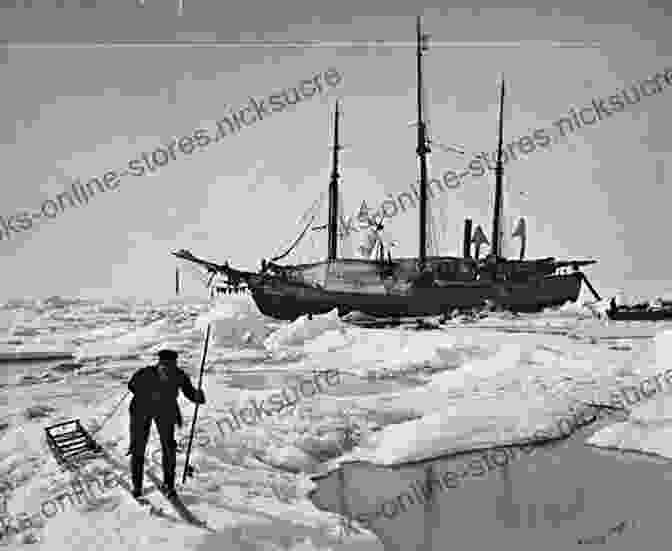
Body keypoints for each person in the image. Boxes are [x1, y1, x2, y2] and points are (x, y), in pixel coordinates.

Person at [127, 349, 205, 499]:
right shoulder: (145, 373)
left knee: (169, 447)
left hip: (164, 410)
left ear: (175, 364)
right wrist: (149, 393)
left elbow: (189, 393)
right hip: (141, 410)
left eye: (171, 365)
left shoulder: (179, 375)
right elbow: (131, 386)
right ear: (159, 363)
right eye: (165, 365)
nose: (168, 368)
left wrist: (198, 396)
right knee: (138, 447)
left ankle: (169, 485)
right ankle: (137, 487)